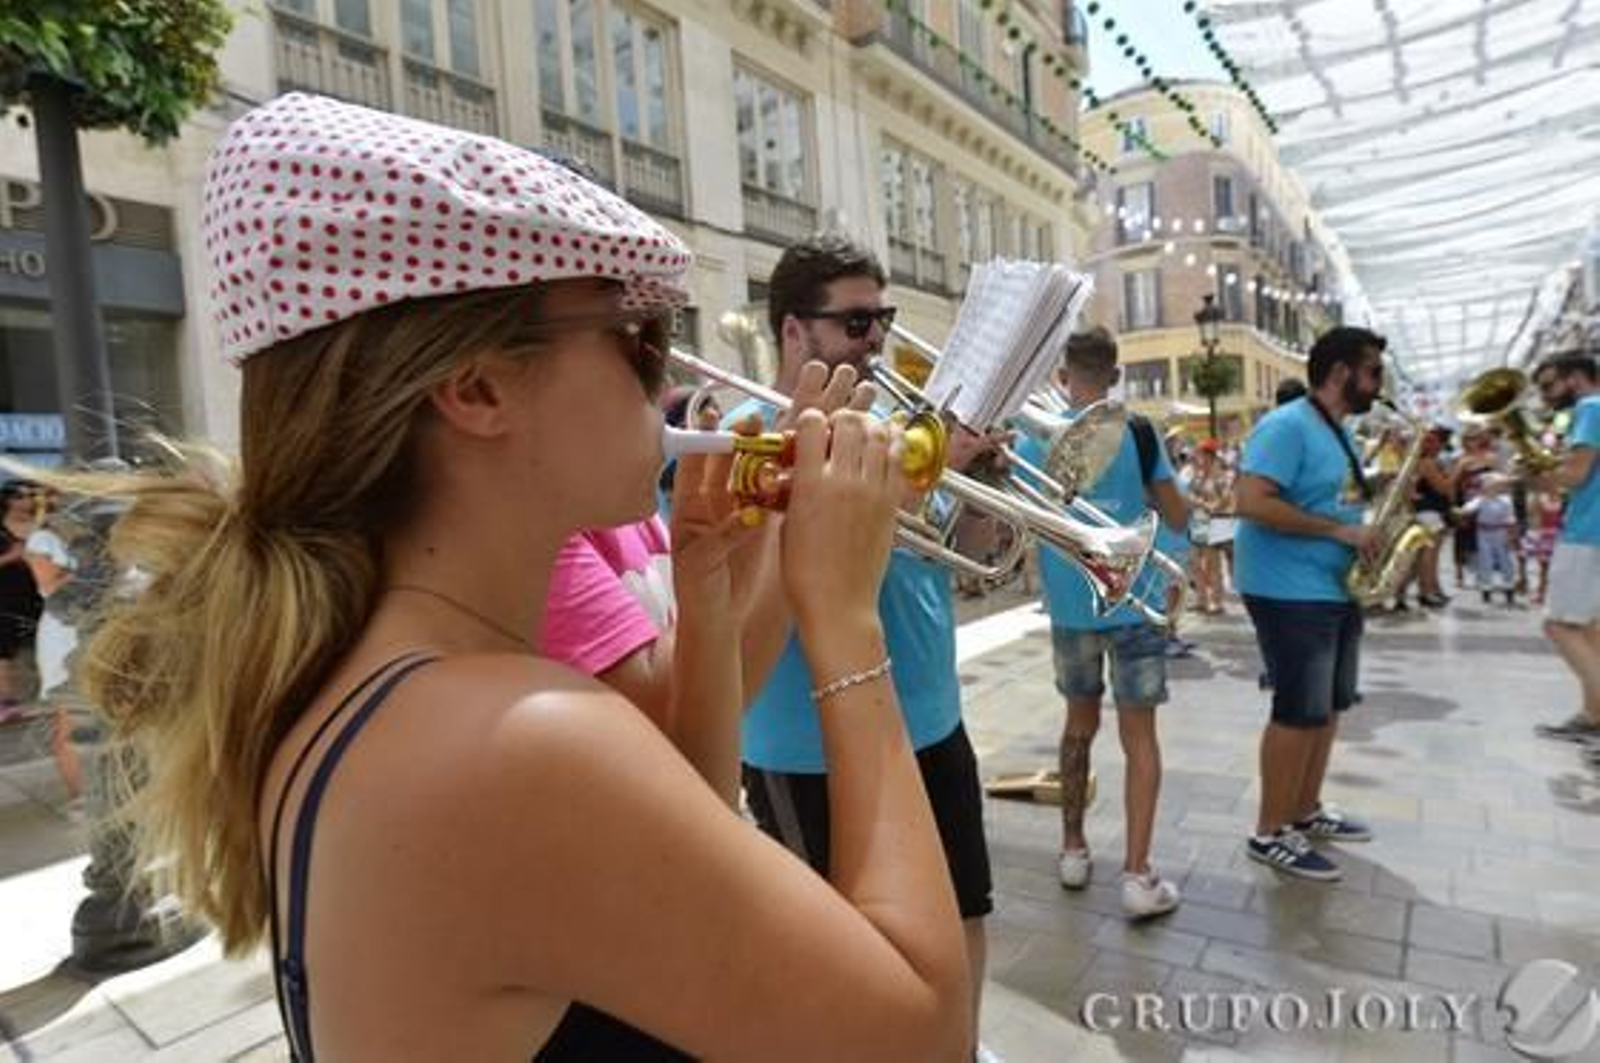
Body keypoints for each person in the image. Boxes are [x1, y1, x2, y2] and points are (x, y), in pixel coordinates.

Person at [66, 94, 971, 1059]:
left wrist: (707, 592)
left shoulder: (382, 677)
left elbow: (681, 843)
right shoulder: (515, 737)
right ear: (479, 386)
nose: (656, 377)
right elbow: (920, 1030)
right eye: (637, 336)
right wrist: (842, 616)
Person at [728, 232, 997, 1048]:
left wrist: (981, 480)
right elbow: (731, 598)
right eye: (855, 323)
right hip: (801, 743)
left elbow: (976, 555)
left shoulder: (897, 430)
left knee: (961, 906)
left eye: (883, 318)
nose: (877, 339)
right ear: (792, 332)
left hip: (931, 717)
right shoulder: (741, 436)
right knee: (841, 949)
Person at [1015, 327, 1188, 917]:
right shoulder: (1138, 430)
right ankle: (1137, 876)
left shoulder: (1034, 435)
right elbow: (1176, 512)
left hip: (1070, 606)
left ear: (1064, 376)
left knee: (1077, 725)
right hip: (1133, 600)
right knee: (1140, 737)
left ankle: (1072, 850)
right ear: (1116, 375)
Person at [1234, 327, 1385, 882]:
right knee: (1297, 711)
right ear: (1342, 372)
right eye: (1372, 371)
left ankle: (1305, 809)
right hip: (1286, 589)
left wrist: (1360, 535)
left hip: (1329, 587)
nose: (1378, 384)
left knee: (1328, 707)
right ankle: (1270, 831)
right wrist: (1338, 533)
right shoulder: (1287, 426)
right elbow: (1249, 501)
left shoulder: (1334, 431)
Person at [1527, 351, 1600, 743]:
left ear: (1575, 377)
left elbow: (1575, 474)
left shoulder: (1590, 407)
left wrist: (1525, 481)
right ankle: (1592, 716)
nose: (1545, 395)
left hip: (1588, 531)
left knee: (1558, 625)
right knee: (1588, 628)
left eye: (1550, 385)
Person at [0, 480, 43, 721]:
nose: (30, 499)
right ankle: (5, 702)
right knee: (4, 650)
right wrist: (12, 556)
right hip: (5, 598)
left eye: (31, 494)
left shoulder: (41, 526)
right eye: (23, 495)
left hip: (39, 595)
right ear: (9, 500)